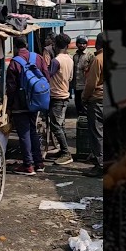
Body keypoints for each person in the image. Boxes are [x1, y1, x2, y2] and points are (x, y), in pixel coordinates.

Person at [7, 36, 46, 175]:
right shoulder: (38, 58)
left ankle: (28, 165)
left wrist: (9, 107)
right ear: (27, 45)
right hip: (35, 102)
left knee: (24, 134)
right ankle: (39, 163)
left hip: (19, 104)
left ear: (15, 47)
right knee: (33, 131)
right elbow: (46, 77)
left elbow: (11, 88)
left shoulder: (14, 63)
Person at [44, 33, 74, 165]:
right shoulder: (69, 58)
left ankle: (66, 153)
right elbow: (70, 78)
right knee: (60, 125)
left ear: (55, 45)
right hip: (63, 94)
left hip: (57, 96)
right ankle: (62, 150)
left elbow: (47, 75)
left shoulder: (56, 61)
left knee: (56, 126)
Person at [83, 33, 106, 176]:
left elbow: (91, 84)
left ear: (97, 44)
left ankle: (100, 165)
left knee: (97, 133)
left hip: (98, 100)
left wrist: (84, 98)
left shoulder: (98, 59)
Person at [72, 36, 94, 118]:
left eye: (84, 43)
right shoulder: (75, 56)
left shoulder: (90, 55)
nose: (82, 45)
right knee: (78, 104)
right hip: (76, 86)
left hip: (85, 85)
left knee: (85, 105)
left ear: (86, 44)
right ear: (77, 44)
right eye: (80, 43)